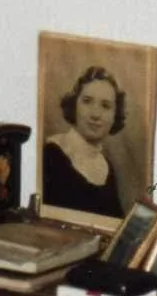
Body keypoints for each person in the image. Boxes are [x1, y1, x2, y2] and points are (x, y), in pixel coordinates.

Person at [41, 64, 126, 219]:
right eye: (87, 101)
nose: (95, 114)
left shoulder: (107, 168)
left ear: (115, 116)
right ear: (74, 105)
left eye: (105, 106)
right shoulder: (50, 154)